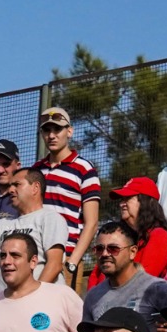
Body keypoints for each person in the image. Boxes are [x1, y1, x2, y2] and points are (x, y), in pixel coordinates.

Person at [33, 107, 101, 283]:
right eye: (47, 130)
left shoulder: (84, 169)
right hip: (34, 256)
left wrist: (73, 261)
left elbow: (92, 222)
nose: (52, 135)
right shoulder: (35, 170)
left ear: (69, 131)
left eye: (57, 129)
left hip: (65, 257)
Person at [83, 221, 167, 321]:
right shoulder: (93, 296)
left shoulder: (158, 290)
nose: (104, 254)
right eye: (99, 249)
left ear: (132, 252)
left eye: (113, 249)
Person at [109, 177, 167, 281]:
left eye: (128, 198)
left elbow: (144, 280)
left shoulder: (159, 236)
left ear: (145, 202)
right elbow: (97, 274)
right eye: (122, 200)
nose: (121, 204)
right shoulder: (119, 237)